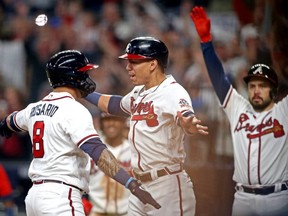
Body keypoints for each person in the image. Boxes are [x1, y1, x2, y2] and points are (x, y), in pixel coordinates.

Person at [0, 50, 160, 216]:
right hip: (60, 196)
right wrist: (131, 184)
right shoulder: (74, 109)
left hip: (34, 197)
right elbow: (99, 154)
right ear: (71, 77)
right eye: (83, 73)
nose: (86, 77)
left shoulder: (33, 108)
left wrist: (5, 125)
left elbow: (10, 122)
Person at [85, 36, 209, 215]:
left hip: (167, 185)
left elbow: (185, 116)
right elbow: (113, 105)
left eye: (134, 62)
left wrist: (188, 123)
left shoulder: (172, 91)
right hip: (140, 186)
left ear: (152, 64)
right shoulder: (139, 92)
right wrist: (83, 91)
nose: (128, 67)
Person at [190, 6, 288, 216]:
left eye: (263, 85)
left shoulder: (284, 111)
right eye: (252, 86)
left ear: (273, 89)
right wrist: (206, 42)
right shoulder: (239, 109)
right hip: (242, 198)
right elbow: (218, 79)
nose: (256, 90)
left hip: (277, 198)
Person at [88, 113, 131, 216]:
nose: (111, 123)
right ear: (101, 123)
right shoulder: (91, 149)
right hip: (95, 212)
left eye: (115, 119)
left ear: (123, 123)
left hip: (126, 213)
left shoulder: (133, 151)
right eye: (107, 120)